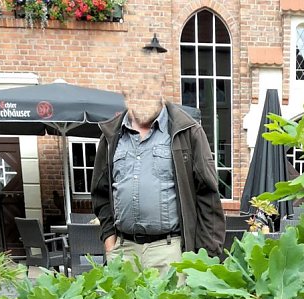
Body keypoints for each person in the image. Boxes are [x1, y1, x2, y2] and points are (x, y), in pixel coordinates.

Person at [91, 53, 225, 274]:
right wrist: (110, 243)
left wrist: (205, 259)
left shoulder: (187, 132)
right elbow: (100, 195)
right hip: (123, 251)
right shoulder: (111, 136)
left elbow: (208, 199)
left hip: (171, 252)